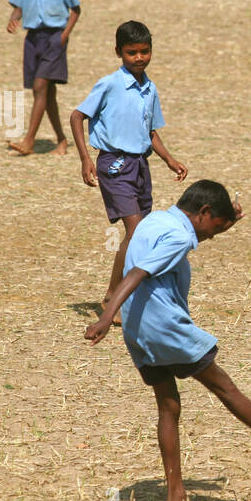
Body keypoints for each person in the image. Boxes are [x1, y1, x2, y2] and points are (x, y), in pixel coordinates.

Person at [86, 181, 251, 501]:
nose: (212, 236)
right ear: (204, 212)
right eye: (215, 227)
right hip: (166, 328)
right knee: (224, 386)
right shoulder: (179, 237)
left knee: (168, 407)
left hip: (139, 330)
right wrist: (107, 316)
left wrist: (224, 225)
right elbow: (137, 272)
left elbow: (144, 256)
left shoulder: (154, 222)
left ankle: (174, 496)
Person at [70, 21, 188, 321]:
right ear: (118, 53)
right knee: (136, 232)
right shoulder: (109, 84)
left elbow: (151, 132)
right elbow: (77, 116)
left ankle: (116, 293)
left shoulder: (150, 89)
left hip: (139, 166)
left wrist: (170, 160)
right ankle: (115, 299)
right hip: (113, 165)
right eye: (131, 52)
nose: (139, 58)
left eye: (145, 51)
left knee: (140, 233)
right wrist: (86, 159)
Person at [6, 0, 80, 156]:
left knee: (40, 87)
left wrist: (64, 35)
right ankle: (61, 140)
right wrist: (14, 19)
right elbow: (19, 5)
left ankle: (29, 140)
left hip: (54, 39)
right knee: (46, 93)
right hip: (33, 40)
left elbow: (75, 9)